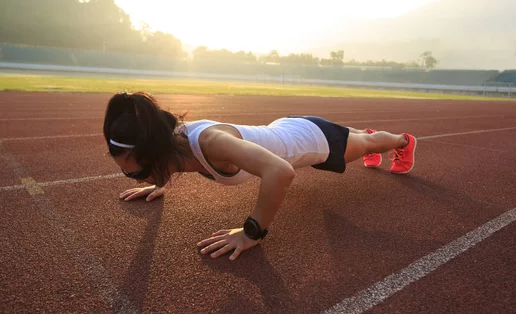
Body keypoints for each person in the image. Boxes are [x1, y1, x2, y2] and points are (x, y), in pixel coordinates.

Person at [104, 91, 416, 261]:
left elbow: (280, 171)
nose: (135, 178)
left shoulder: (211, 144)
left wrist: (252, 232)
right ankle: (367, 141)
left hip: (312, 140)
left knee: (365, 142)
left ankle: (402, 141)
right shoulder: (169, 140)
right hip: (286, 129)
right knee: (360, 139)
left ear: (155, 155)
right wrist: (156, 183)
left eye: (138, 173)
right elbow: (161, 157)